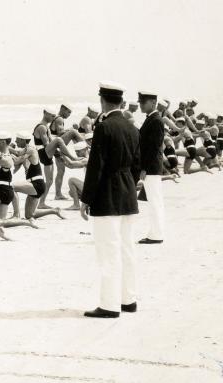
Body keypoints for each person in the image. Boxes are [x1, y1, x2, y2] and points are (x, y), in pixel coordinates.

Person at [80, 81, 141, 319]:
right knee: (127, 249)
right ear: (120, 101)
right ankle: (129, 299)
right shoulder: (132, 128)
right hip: (127, 194)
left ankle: (109, 305)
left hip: (107, 194)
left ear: (103, 101)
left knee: (108, 251)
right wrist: (129, 184)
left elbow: (96, 167)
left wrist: (86, 198)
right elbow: (137, 166)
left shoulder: (104, 127)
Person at [136, 91, 166, 245]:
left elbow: (154, 149)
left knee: (155, 201)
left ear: (153, 103)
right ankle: (155, 232)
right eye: (140, 102)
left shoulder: (156, 121)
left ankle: (156, 235)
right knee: (154, 201)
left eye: (143, 102)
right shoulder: (152, 119)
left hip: (152, 168)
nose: (140, 105)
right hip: (151, 167)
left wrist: (144, 168)